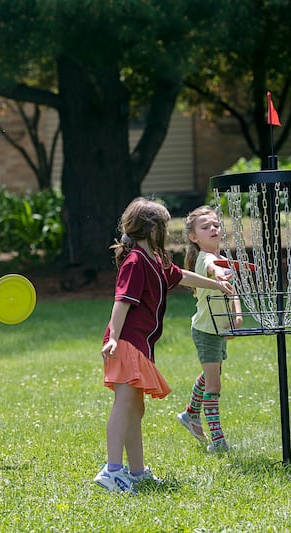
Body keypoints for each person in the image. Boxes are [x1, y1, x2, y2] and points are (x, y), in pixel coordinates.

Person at [93, 198, 235, 494]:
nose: (168, 232)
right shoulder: (135, 262)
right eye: (165, 226)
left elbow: (180, 276)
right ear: (153, 228)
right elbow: (121, 301)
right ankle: (112, 471)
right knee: (124, 405)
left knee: (136, 408)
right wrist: (115, 337)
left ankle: (137, 471)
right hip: (126, 342)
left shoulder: (155, 258)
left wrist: (217, 282)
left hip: (139, 345)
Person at [176, 206, 242, 453]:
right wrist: (219, 273)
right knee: (214, 385)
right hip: (206, 332)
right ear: (194, 237)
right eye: (205, 227)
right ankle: (218, 441)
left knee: (210, 375)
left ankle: (190, 414)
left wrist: (237, 313)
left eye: (215, 225)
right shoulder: (207, 259)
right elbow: (215, 270)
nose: (213, 229)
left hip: (217, 329)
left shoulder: (220, 256)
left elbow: (230, 287)